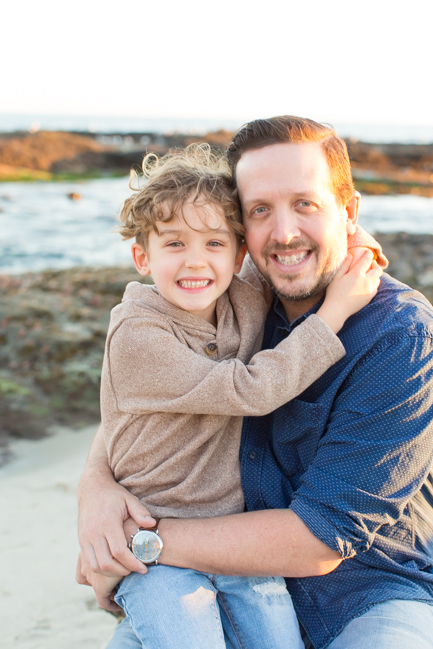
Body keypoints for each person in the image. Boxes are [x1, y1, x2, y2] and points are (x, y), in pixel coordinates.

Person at [77, 116, 433, 649]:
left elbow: (320, 541)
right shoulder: (230, 296)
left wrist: (138, 541)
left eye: (306, 203)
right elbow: (143, 409)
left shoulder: (402, 336)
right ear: (243, 234)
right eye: (260, 210)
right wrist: (96, 487)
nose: (284, 232)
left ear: (348, 210)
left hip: (368, 593)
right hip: (215, 579)